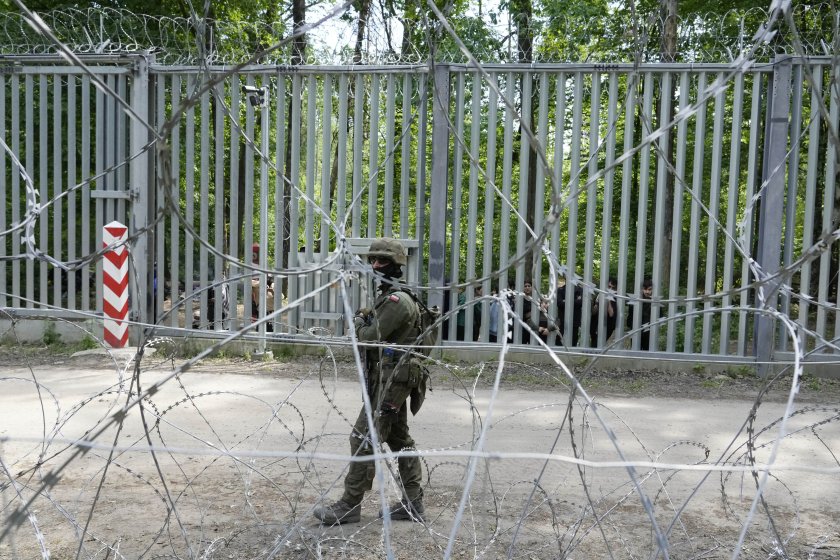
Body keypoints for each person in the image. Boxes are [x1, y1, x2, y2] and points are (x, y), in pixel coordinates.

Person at [313, 238, 426, 525]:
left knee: (364, 437)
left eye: (383, 261)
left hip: (393, 380)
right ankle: (413, 503)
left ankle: (350, 505)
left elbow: (367, 338)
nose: (376, 265)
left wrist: (360, 322)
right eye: (373, 260)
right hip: (390, 378)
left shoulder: (397, 300)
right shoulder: (390, 297)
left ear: (396, 265)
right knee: (399, 439)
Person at [626, 278, 653, 350]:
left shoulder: (655, 302)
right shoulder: (635, 301)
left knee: (647, 352)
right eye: (645, 289)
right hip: (636, 330)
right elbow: (631, 315)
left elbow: (659, 316)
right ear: (641, 289)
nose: (647, 292)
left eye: (649, 289)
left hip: (649, 332)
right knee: (635, 351)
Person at [589, 277, 617, 346]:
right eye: (609, 287)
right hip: (595, 325)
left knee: (598, 345)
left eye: (612, 288)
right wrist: (595, 302)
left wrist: (609, 299)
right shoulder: (599, 295)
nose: (610, 289)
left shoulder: (616, 298)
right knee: (594, 344)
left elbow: (611, 314)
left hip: (607, 326)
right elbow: (593, 312)